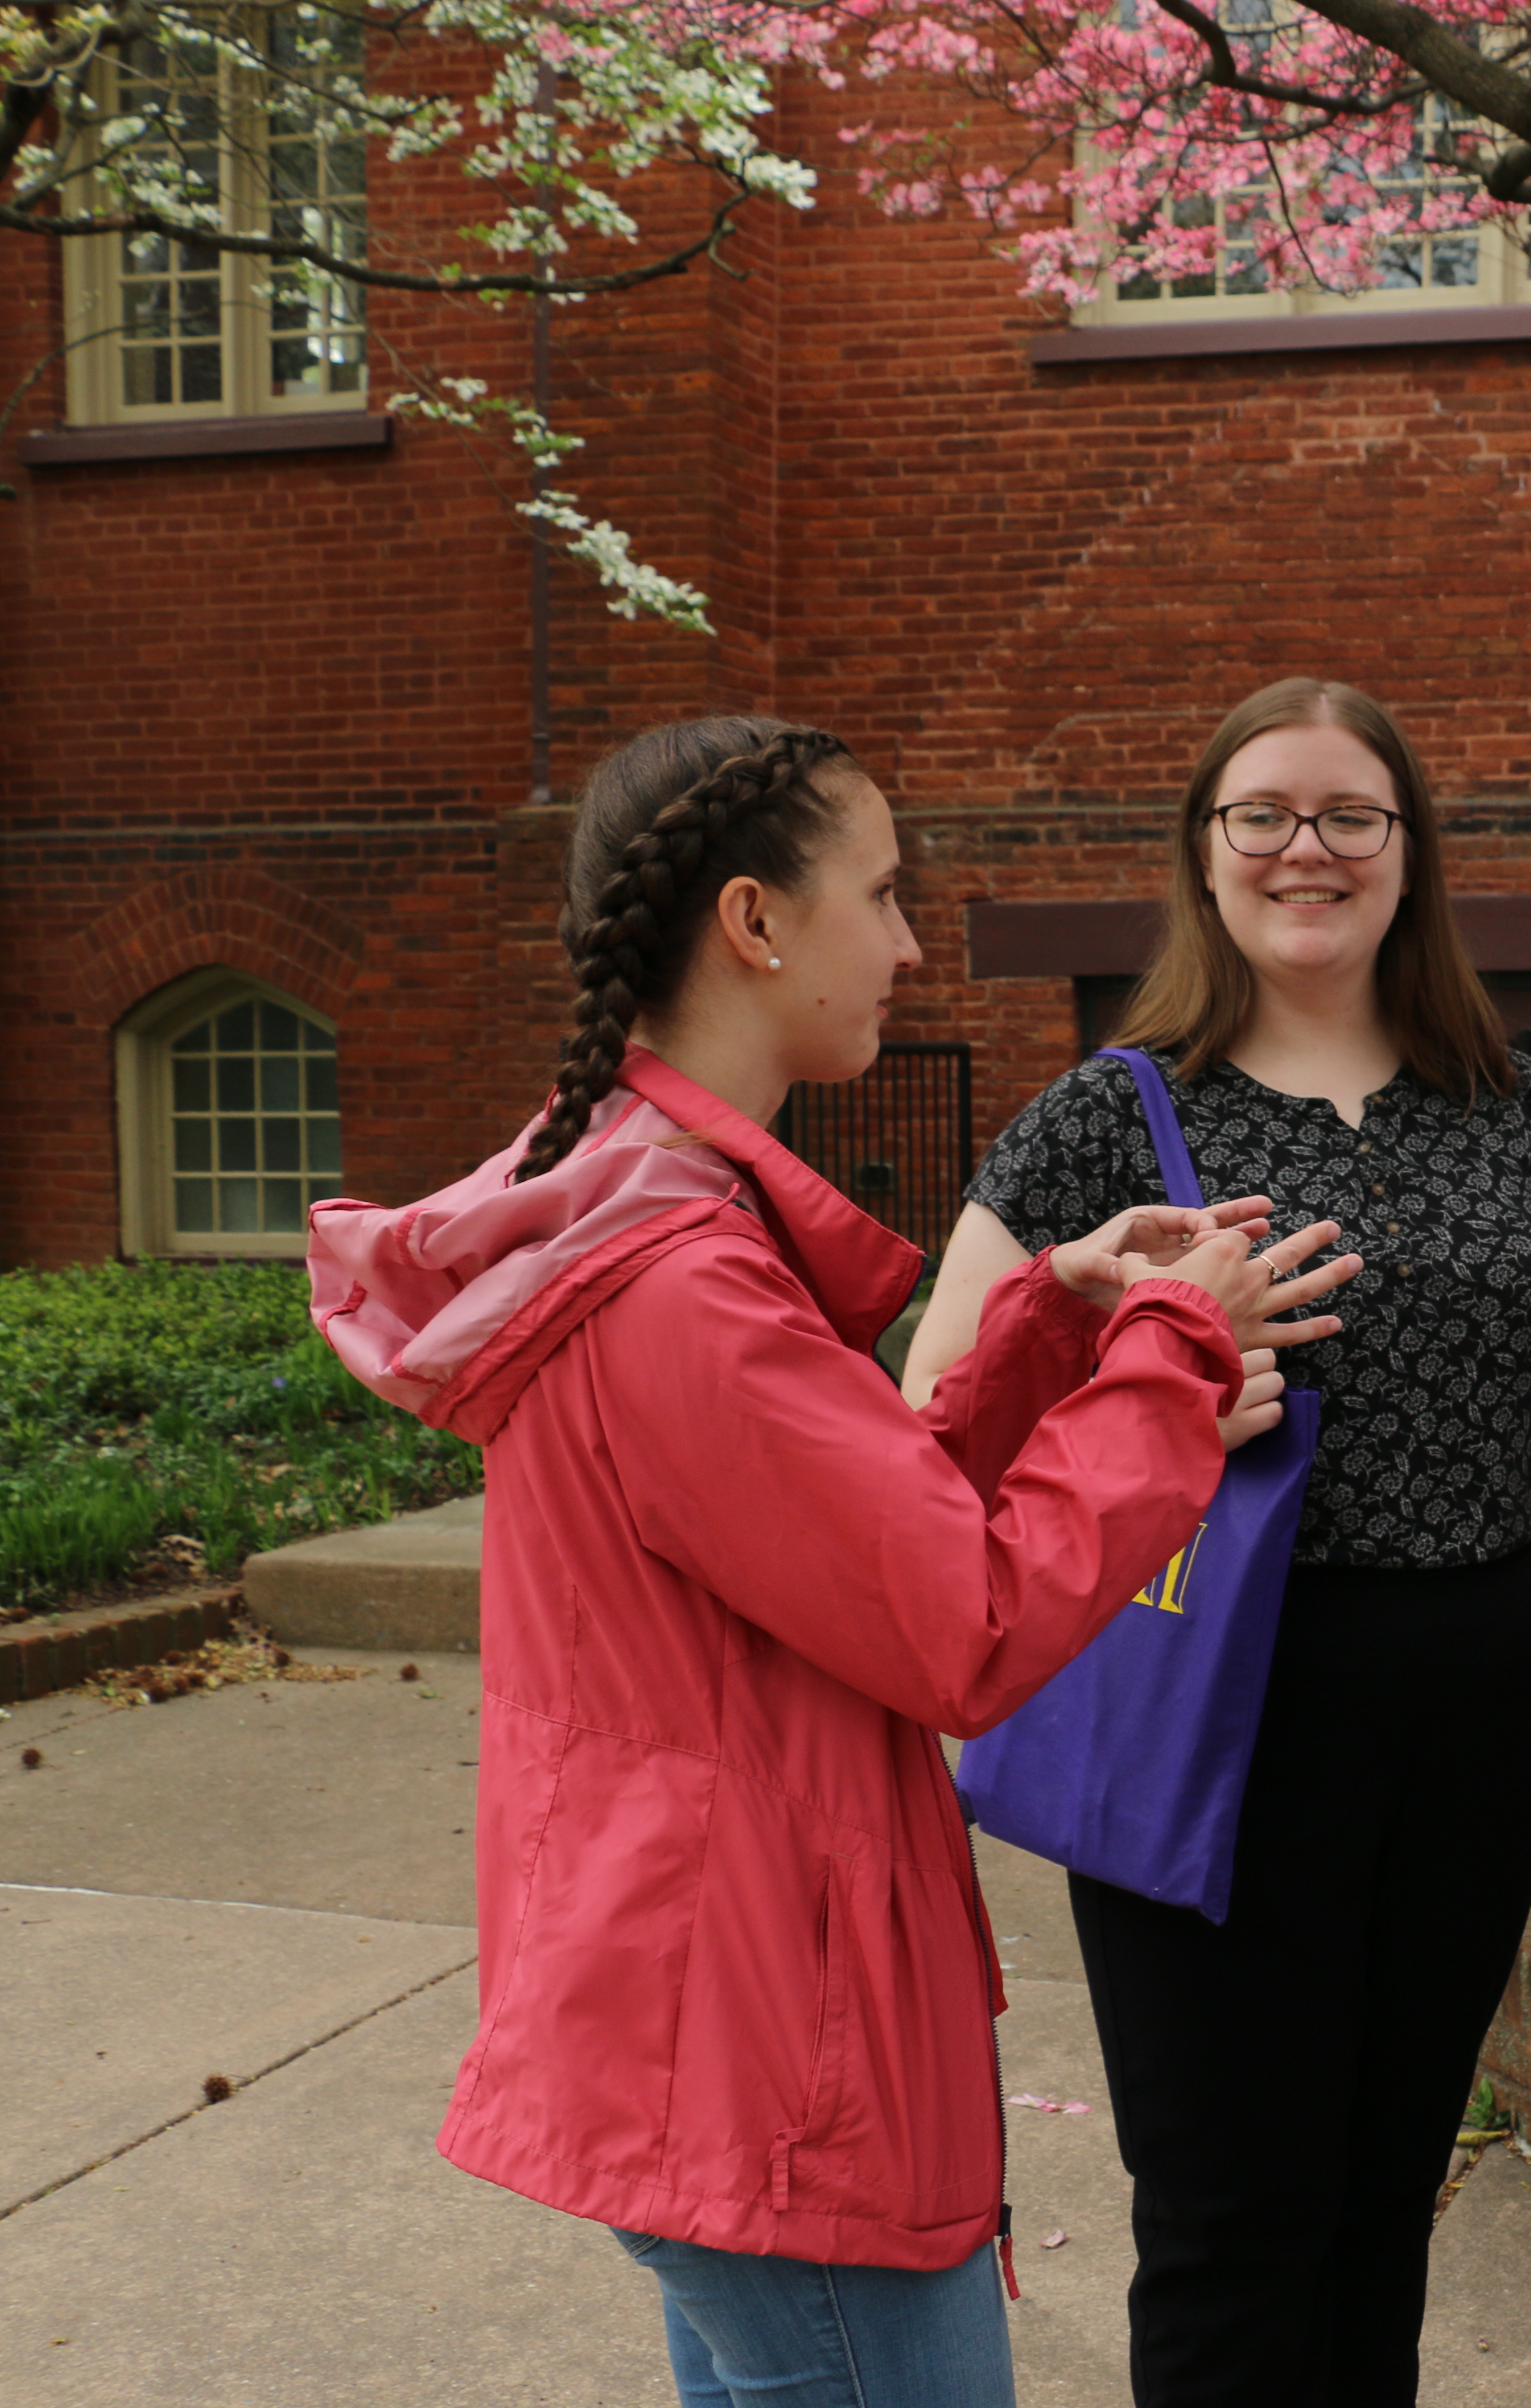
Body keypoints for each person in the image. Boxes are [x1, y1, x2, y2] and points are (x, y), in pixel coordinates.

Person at [307, 714, 1357, 2408]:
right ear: (755, 923)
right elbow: (964, 1618)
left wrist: (1047, 1325)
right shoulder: (682, 1279)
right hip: (766, 2037)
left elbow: (836, 1540)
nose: (913, 942)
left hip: (711, 2006)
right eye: (882, 893)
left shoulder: (634, 1222)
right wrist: (1174, 1350)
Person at [901, 677, 1531, 2407]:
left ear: (1409, 855)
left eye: (1350, 817)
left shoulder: (1512, 1101)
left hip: (1475, 1693)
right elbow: (940, 1405)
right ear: (1206, 857)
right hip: (1215, 1696)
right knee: (1234, 2210)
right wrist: (1140, 1396)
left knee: (1386, 2195)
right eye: (1265, 816)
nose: (1308, 849)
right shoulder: (1113, 1111)